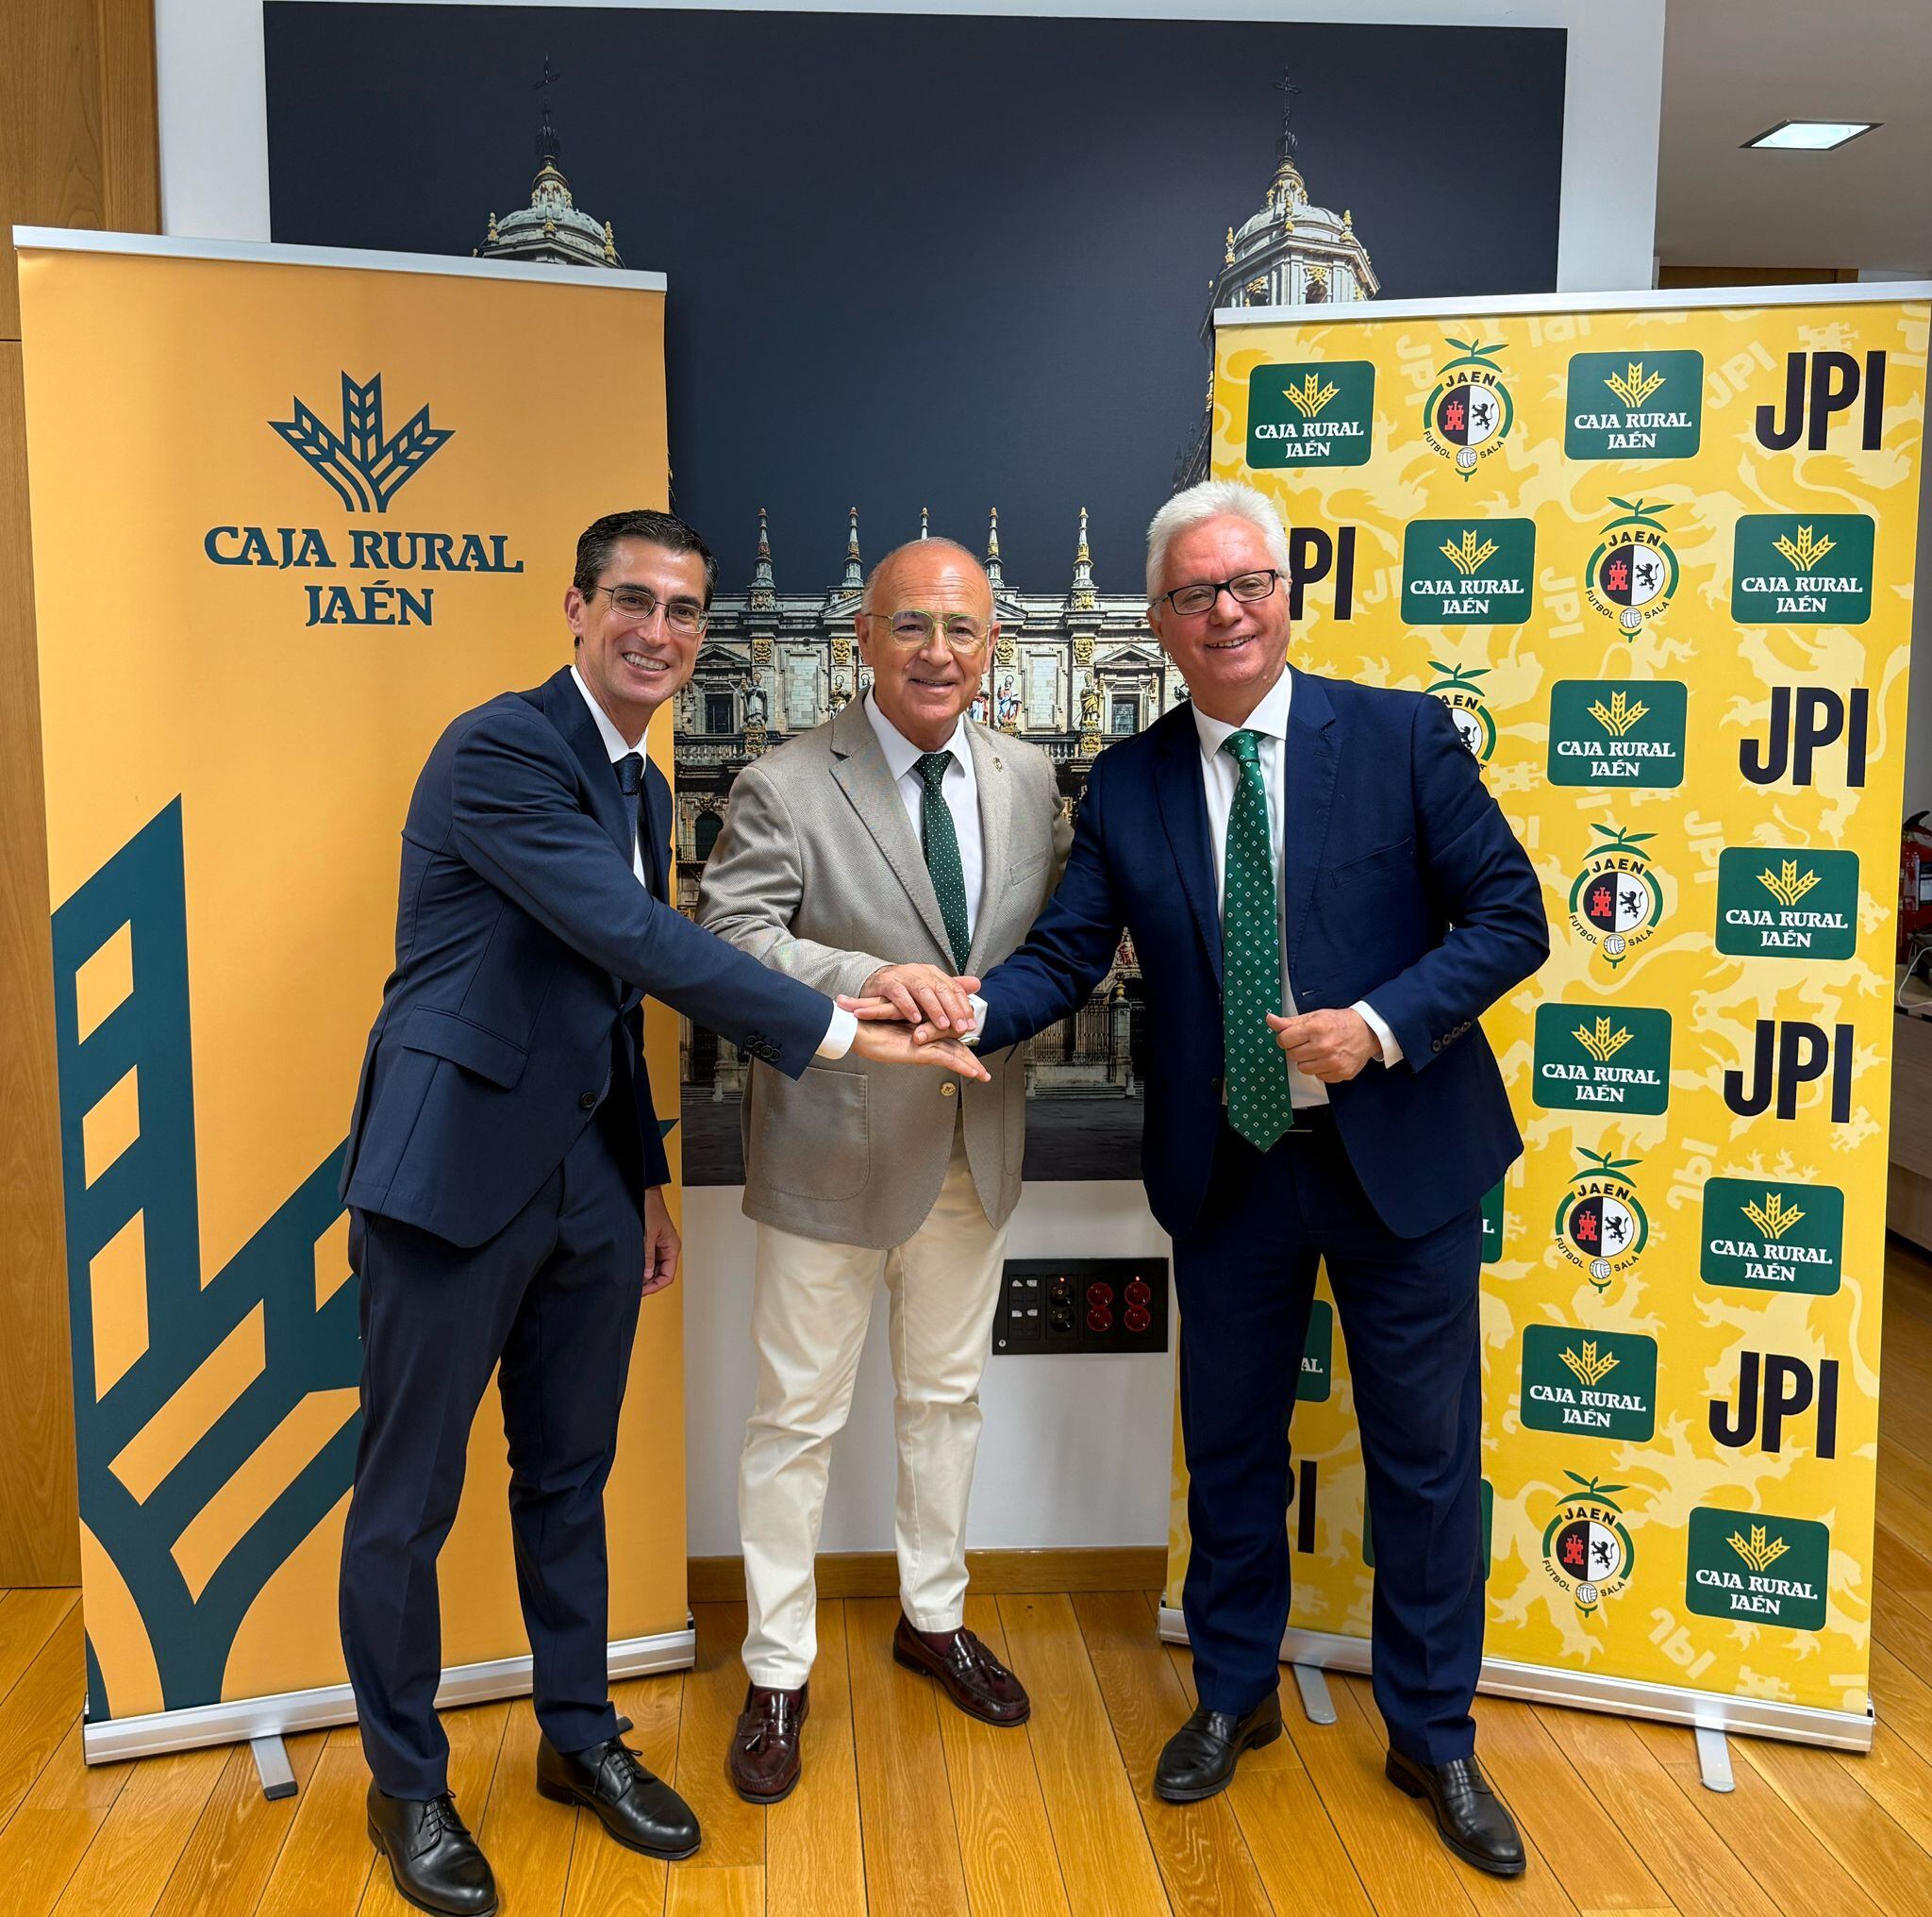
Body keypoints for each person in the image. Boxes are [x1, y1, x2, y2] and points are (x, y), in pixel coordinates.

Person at [336, 508, 983, 1917]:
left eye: (685, 611)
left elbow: (608, 1004)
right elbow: (639, 940)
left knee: (568, 1481)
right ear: (575, 608)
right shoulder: (499, 751)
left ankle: (579, 1742)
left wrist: (643, 1177)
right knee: (407, 1504)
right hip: (446, 1179)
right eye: (633, 601)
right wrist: (846, 1025)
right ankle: (410, 1786)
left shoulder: (639, 784)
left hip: (581, 1187)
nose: (660, 632)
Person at [931, 479, 1547, 1876]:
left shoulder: (1397, 737)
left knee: (1428, 1464)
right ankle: (1232, 1697)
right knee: (1228, 1455)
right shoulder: (1136, 781)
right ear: (1156, 621)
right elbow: (1071, 950)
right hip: (1235, 1170)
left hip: (1403, 1162)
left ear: (1287, 595)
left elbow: (1511, 916)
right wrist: (969, 1013)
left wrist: (1380, 1024)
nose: (1228, 611)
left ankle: (1434, 1736)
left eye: (1249, 583)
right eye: (1196, 593)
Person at [698, 535, 1067, 1802]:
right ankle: (780, 1670)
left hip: (978, 1144)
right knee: (796, 1420)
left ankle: (933, 1617)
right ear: (862, 637)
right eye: (910, 626)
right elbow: (732, 936)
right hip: (831, 1150)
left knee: (945, 1403)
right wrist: (867, 982)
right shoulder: (785, 781)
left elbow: (1049, 949)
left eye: (962, 630)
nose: (937, 653)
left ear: (992, 647)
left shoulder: (1029, 777)